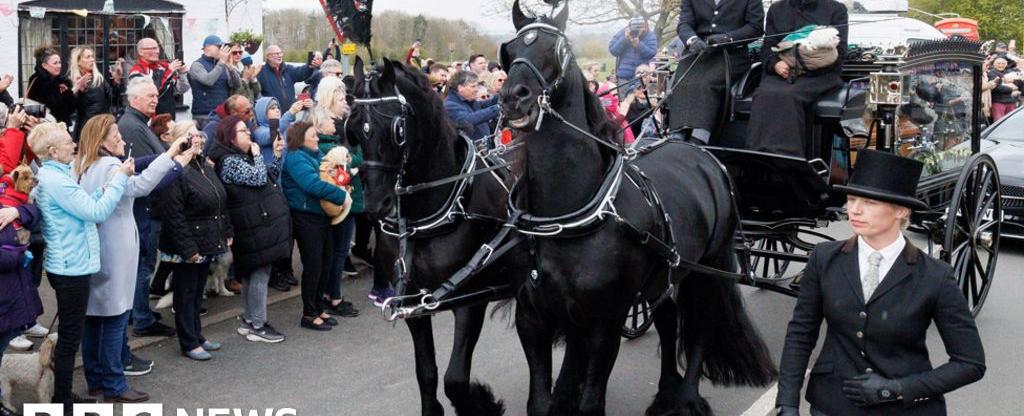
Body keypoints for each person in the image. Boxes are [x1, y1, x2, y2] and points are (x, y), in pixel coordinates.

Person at [775, 150, 985, 416]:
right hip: (831, 405)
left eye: (869, 202)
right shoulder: (823, 258)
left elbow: (970, 363)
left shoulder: (936, 276)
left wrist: (897, 388)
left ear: (901, 210)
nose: (855, 209)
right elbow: (800, 334)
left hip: (902, 410)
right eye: (851, 199)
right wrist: (787, 403)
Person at [75, 114, 190, 403]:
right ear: (102, 140)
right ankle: (114, 384)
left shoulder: (84, 166)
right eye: (117, 136)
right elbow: (141, 187)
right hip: (116, 249)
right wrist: (171, 155)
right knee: (114, 317)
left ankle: (96, 380)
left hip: (95, 248)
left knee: (93, 318)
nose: (123, 140)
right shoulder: (112, 165)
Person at [29, 121, 133, 407]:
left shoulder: (58, 175)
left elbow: (84, 205)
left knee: (73, 333)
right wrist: (119, 179)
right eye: (67, 141)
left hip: (72, 263)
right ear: (52, 151)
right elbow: (95, 212)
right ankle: (62, 400)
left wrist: (104, 189)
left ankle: (63, 395)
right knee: (70, 338)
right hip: (69, 267)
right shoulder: (57, 180)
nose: (73, 144)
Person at [208, 115, 291, 343]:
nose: (248, 133)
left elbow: (267, 176)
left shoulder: (237, 157)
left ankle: (250, 319)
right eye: (243, 130)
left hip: (255, 222)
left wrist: (274, 155)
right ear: (231, 137)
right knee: (259, 273)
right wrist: (257, 155)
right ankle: (258, 324)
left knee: (253, 273)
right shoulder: (229, 160)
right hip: (251, 225)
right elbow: (257, 177)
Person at [152, 121, 230, 361]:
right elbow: (173, 215)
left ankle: (197, 335)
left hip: (206, 240)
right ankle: (188, 342)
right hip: (187, 245)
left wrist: (226, 231)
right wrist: (188, 249)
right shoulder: (175, 170)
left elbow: (220, 201)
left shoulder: (203, 165)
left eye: (198, 134)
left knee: (197, 293)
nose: (197, 139)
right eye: (190, 135)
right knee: (185, 294)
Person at [117, 78, 180, 338]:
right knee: (143, 265)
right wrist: (176, 164)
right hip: (145, 208)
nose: (155, 99)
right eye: (149, 96)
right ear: (134, 100)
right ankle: (141, 319)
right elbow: (147, 170)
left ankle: (138, 311)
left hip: (148, 207)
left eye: (156, 95)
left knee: (142, 264)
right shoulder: (132, 126)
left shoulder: (138, 123)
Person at [746, 0, 848, 158]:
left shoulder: (836, 9)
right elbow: (768, 47)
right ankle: (757, 157)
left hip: (819, 74)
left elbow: (839, 53)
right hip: (783, 71)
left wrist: (803, 64)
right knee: (764, 94)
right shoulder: (776, 9)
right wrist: (775, 64)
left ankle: (789, 158)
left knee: (788, 95)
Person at [281, 120, 348, 331]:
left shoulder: (314, 154)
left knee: (325, 263)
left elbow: (329, 176)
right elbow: (312, 185)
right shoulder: (295, 157)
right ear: (301, 138)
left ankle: (319, 308)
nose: (317, 138)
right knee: (313, 265)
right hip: (305, 218)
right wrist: (341, 195)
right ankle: (309, 313)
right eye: (313, 135)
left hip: (321, 217)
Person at [667, 0, 764, 143]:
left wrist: (728, 38)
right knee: (682, 82)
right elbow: (684, 23)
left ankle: (699, 137)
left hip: (731, 53)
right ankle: (676, 134)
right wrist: (692, 40)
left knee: (707, 83)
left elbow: (755, 27)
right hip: (699, 52)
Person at [307, 103, 360, 318]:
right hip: (340, 205)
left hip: (343, 202)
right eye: (329, 120)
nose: (333, 123)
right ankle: (333, 296)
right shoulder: (329, 148)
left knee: (338, 251)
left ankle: (331, 293)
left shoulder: (331, 144)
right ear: (319, 126)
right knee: (339, 251)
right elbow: (352, 164)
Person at [0, 177, 41, 415]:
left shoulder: (5, 202)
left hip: (9, 296)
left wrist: (17, 211)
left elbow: (35, 214)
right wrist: (18, 252)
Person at [128, 38, 190, 118]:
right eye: (152, 48)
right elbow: (151, 93)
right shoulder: (137, 71)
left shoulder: (164, 66)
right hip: (149, 121)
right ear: (140, 52)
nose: (157, 51)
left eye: (157, 48)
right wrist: (169, 72)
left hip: (168, 119)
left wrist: (182, 73)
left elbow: (180, 90)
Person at [189, 35, 241, 129]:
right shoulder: (197, 65)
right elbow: (208, 81)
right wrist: (221, 62)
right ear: (207, 47)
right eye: (219, 47)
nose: (222, 50)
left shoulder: (222, 64)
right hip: (204, 115)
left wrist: (230, 67)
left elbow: (237, 84)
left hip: (222, 113)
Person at [70, 47, 121, 140]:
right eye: (88, 57)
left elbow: (112, 98)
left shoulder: (98, 78)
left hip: (103, 125)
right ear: (78, 61)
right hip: (87, 127)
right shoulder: (72, 80)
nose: (92, 59)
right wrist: (77, 89)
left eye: (92, 56)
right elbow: (70, 108)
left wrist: (116, 82)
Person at [257, 45, 321, 110]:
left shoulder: (287, 69)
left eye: (281, 53)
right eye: (277, 54)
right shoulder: (261, 73)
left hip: (290, 114)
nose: (280, 55)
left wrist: (309, 67)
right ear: (268, 56)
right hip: (272, 115)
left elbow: (301, 73)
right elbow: (256, 94)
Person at [608, 17, 658, 99]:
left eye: (640, 28)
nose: (636, 31)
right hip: (623, 76)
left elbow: (652, 53)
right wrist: (625, 39)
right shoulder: (623, 32)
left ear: (644, 27)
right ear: (629, 27)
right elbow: (613, 50)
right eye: (634, 28)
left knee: (640, 104)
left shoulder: (649, 35)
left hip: (640, 77)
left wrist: (638, 45)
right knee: (624, 104)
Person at [445, 71, 500, 143]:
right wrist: (499, 108)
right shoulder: (450, 105)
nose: (477, 89)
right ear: (460, 88)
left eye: (477, 86)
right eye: (473, 86)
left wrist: (502, 95)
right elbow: (469, 119)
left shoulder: (469, 101)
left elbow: (487, 104)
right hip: (469, 152)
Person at [27, 47, 76, 125]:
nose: (59, 66)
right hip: (44, 128)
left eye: (59, 62)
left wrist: (68, 93)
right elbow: (53, 107)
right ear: (44, 65)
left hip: (61, 127)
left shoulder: (61, 81)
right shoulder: (38, 81)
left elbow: (70, 110)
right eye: (55, 63)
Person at [987, 57, 1021, 122]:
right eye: (998, 63)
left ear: (1006, 64)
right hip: (998, 102)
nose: (1001, 65)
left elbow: (1019, 83)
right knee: (998, 122)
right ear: (994, 64)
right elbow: (997, 87)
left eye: (1003, 63)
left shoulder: (1010, 72)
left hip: (1011, 101)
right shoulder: (991, 73)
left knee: (1011, 121)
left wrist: (1013, 81)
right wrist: (1012, 88)